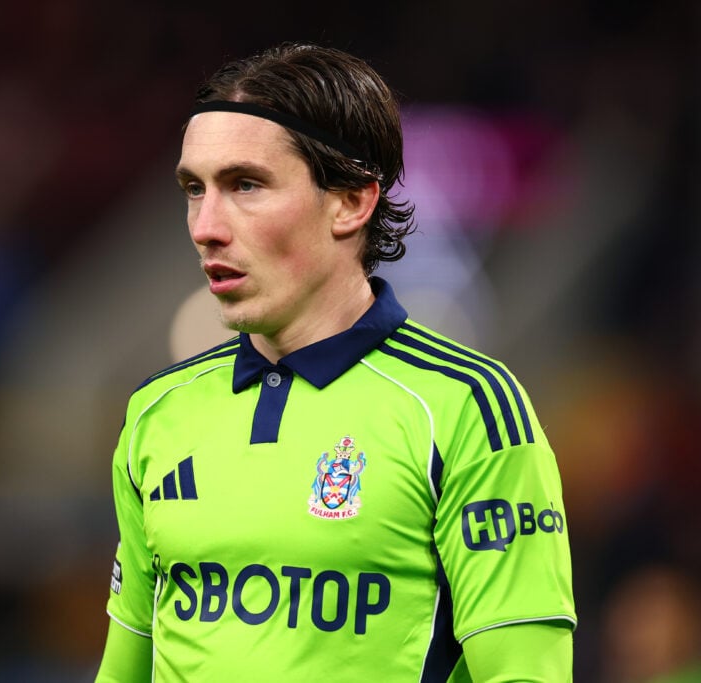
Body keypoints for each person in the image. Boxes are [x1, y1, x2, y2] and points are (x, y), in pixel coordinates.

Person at [95, 43, 576, 682]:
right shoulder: (157, 412)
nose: (205, 225)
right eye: (193, 189)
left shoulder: (465, 409)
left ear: (351, 200)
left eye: (245, 185)